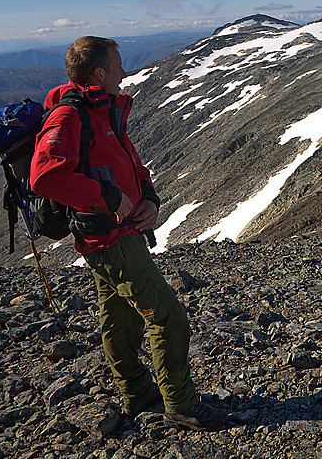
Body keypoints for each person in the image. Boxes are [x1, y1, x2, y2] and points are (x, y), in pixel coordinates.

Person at [30, 36, 226, 430]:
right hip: (109, 240)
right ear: (99, 73)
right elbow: (44, 175)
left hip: (119, 234)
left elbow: (131, 164)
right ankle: (181, 405)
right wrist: (105, 195)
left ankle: (138, 394)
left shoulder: (101, 111)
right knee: (169, 317)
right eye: (118, 65)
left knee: (119, 320)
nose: (124, 71)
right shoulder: (71, 116)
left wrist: (148, 198)